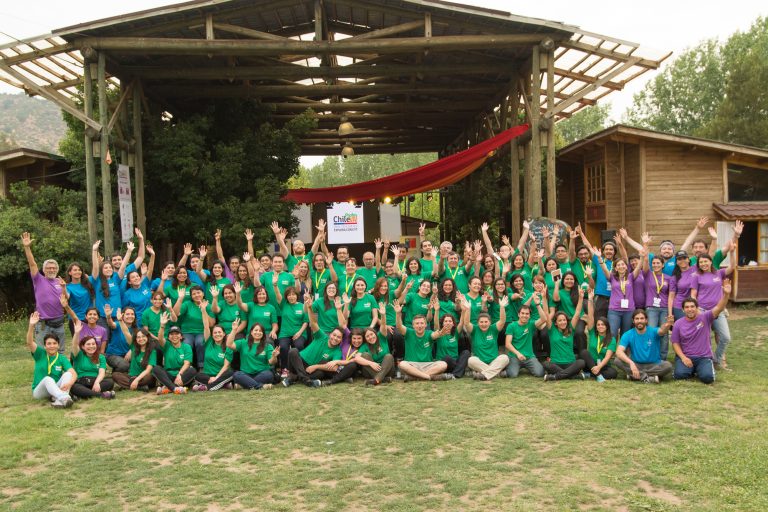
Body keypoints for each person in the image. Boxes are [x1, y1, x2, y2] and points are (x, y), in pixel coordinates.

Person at [283, 297, 353, 387]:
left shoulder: (337, 351)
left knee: (320, 374)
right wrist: (309, 308)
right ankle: (307, 381)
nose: (335, 338)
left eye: (338, 337)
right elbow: (313, 323)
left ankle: (293, 377)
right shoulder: (322, 336)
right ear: (330, 334)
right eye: (334, 335)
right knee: (293, 351)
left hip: (311, 368)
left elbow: (334, 368)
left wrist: (316, 366)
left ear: (341, 340)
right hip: (299, 362)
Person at [673, 279, 732, 383]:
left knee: (707, 378)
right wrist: (683, 358)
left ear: (697, 308)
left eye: (692, 306)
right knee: (679, 375)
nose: (690, 309)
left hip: (703, 357)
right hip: (687, 356)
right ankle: (692, 369)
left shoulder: (706, 317)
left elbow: (719, 307)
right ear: (683, 310)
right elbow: (675, 343)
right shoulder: (678, 323)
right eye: (687, 307)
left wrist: (726, 294)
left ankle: (700, 369)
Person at [21, 232, 67, 352]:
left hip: (59, 323)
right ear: (44, 270)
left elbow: (66, 300)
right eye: (48, 268)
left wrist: (64, 288)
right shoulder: (38, 279)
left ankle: (59, 365)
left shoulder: (60, 282)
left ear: (57, 269)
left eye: (54, 268)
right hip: (43, 324)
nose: (51, 270)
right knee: (41, 352)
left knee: (60, 351)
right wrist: (27, 247)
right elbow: (32, 264)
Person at [594, 236, 645, 341]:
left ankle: (623, 351)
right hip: (614, 310)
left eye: (623, 264)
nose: (621, 266)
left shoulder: (631, 276)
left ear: (626, 267)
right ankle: (611, 350)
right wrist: (599, 258)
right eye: (618, 265)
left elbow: (639, 266)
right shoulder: (612, 277)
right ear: (616, 268)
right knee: (612, 332)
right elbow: (604, 269)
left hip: (629, 310)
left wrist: (642, 256)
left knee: (625, 334)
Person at [691, 253, 736, 370]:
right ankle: (706, 363)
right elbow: (693, 295)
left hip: (718, 311)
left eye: (705, 261)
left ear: (711, 262)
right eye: (701, 262)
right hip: (703, 311)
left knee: (725, 337)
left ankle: (716, 360)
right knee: (705, 339)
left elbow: (732, 266)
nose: (703, 264)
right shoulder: (696, 276)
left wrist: (732, 252)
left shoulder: (719, 273)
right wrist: (696, 310)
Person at [26, 311, 75, 408]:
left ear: (58, 345)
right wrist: (31, 326)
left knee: (68, 374)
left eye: (54, 343)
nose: (52, 346)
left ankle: (59, 400)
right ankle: (64, 397)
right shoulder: (40, 354)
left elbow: (73, 373)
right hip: (39, 391)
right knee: (47, 379)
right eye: (49, 344)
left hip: (55, 389)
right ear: (44, 346)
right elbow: (29, 342)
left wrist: (70, 383)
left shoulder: (61, 358)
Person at [394, 302, 451, 382]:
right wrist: (398, 313)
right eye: (417, 323)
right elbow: (399, 326)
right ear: (413, 325)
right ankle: (428, 377)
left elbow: (435, 334)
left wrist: (440, 333)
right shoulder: (409, 332)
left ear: (425, 325)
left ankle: (416, 377)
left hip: (427, 365)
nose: (419, 326)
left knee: (443, 364)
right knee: (402, 364)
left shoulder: (429, 333)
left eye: (422, 323)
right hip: (412, 365)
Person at [614, 309, 674, 383]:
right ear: (633, 321)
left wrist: (668, 324)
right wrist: (631, 363)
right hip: (636, 364)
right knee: (617, 360)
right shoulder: (628, 334)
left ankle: (635, 375)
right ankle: (648, 377)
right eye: (637, 319)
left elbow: (662, 331)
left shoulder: (653, 331)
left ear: (646, 320)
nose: (639, 321)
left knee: (668, 366)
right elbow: (619, 352)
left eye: (642, 318)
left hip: (653, 365)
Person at [542, 292, 586, 381]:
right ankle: (573, 376)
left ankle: (555, 377)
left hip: (570, 363)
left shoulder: (571, 329)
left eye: (564, 320)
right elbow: (546, 313)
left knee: (581, 362)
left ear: (567, 321)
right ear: (556, 323)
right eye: (560, 320)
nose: (563, 322)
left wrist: (581, 298)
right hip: (556, 363)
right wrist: (543, 297)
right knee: (546, 364)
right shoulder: (552, 330)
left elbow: (577, 313)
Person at [465, 298, 510, 381]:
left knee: (505, 358)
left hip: (494, 361)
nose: (484, 324)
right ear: (478, 323)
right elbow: (467, 323)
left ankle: (484, 374)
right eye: (481, 322)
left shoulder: (493, 329)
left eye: (486, 322)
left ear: (490, 322)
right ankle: (496, 373)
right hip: (480, 362)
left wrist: (502, 307)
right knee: (471, 360)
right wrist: (468, 309)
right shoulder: (474, 330)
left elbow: (502, 321)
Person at [69, 320, 115, 399]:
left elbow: (101, 372)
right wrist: (76, 333)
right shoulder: (78, 354)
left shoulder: (101, 357)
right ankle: (101, 395)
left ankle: (85, 394)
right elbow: (74, 345)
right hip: (82, 381)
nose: (91, 346)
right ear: (83, 347)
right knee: (74, 387)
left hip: (95, 381)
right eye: (88, 344)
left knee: (110, 382)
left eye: (93, 344)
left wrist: (97, 383)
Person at [193, 304, 235, 391]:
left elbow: (226, 366)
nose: (217, 334)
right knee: (196, 375)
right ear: (212, 335)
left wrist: (216, 377)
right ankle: (222, 385)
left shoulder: (228, 346)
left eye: (219, 332)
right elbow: (206, 326)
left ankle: (207, 387)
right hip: (208, 375)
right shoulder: (209, 342)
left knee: (231, 373)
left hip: (221, 374)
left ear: (224, 334)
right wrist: (203, 310)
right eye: (215, 333)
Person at [579, 288, 618, 382]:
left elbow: (607, 357)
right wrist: (590, 299)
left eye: (603, 325)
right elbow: (590, 315)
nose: (600, 326)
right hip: (590, 364)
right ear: (596, 327)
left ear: (607, 326)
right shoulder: (593, 333)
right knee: (584, 352)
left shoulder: (611, 339)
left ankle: (592, 374)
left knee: (613, 373)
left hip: (602, 365)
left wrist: (599, 367)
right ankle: (599, 376)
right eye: (598, 325)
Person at [227, 319, 278, 390]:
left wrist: (274, 356)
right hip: (246, 374)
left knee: (268, 374)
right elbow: (229, 344)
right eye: (256, 330)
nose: (258, 332)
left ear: (263, 333)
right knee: (237, 374)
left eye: (260, 331)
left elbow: (272, 362)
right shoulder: (243, 343)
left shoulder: (268, 346)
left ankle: (245, 385)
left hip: (262, 373)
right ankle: (260, 386)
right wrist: (234, 330)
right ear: (251, 332)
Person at [152, 314, 196, 394]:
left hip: (181, 375)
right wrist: (162, 326)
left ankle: (168, 388)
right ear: (168, 337)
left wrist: (179, 374)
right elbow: (160, 338)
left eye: (177, 334)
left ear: (181, 336)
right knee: (156, 369)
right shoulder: (167, 345)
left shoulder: (186, 347)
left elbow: (187, 363)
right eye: (172, 334)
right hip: (168, 375)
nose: (174, 336)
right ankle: (175, 388)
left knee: (192, 370)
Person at [273, 279, 309, 378]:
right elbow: (278, 295)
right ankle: (285, 369)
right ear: (286, 297)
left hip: (299, 332)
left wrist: (299, 333)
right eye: (289, 295)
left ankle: (299, 368)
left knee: (299, 345)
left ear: (297, 296)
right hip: (285, 333)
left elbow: (305, 321)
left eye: (293, 294)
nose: (291, 297)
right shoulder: (284, 304)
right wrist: (275, 285)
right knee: (283, 347)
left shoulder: (302, 306)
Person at [173, 285, 214, 370]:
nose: (196, 295)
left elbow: (211, 324)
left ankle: (201, 366)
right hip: (187, 332)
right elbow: (175, 313)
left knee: (200, 343)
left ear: (203, 294)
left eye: (198, 293)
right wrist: (180, 299)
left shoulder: (208, 305)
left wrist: (203, 310)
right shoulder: (187, 304)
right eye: (194, 294)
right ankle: (187, 366)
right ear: (191, 296)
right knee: (187, 344)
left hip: (202, 332)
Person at [504, 303, 547, 378]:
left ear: (529, 316)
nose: (524, 315)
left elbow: (544, 319)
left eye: (527, 314)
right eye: (522, 313)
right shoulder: (511, 326)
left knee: (540, 373)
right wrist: (518, 354)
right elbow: (507, 344)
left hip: (529, 357)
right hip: (515, 356)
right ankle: (505, 370)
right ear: (518, 314)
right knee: (512, 374)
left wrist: (537, 305)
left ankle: (528, 366)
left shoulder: (531, 324)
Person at [432, 297, 470, 378]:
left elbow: (461, 322)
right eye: (446, 321)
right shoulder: (439, 333)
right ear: (442, 323)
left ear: (453, 323)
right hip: (443, 363)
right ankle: (459, 371)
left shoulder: (456, 333)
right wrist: (437, 310)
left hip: (454, 362)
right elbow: (435, 324)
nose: (448, 323)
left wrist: (463, 311)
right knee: (447, 357)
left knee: (466, 352)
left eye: (450, 321)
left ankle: (454, 374)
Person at [642, 254, 672, 360]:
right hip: (651, 308)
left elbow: (670, 296)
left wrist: (670, 312)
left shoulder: (668, 278)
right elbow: (645, 263)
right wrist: (645, 253)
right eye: (653, 263)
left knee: (664, 333)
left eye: (658, 263)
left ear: (663, 265)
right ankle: (650, 356)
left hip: (664, 308)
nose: (655, 265)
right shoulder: (648, 275)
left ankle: (662, 358)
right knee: (651, 332)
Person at [110, 326, 156, 392]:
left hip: (143, 377)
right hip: (131, 376)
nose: (141, 339)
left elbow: (148, 370)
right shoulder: (134, 347)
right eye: (138, 337)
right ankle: (140, 387)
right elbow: (125, 332)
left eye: (143, 336)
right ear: (136, 339)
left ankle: (132, 385)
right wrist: (121, 321)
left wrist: (136, 380)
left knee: (149, 376)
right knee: (115, 375)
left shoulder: (152, 351)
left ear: (147, 337)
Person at [358, 316, 395, 386]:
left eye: (371, 334)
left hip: (387, 370)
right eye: (367, 336)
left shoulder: (381, 337)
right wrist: (370, 363)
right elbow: (357, 358)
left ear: (375, 333)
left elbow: (383, 325)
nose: (370, 337)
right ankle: (382, 379)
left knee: (389, 356)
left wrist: (383, 315)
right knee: (364, 355)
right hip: (372, 371)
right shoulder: (364, 346)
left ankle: (376, 379)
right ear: (365, 339)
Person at [63, 262, 95, 334]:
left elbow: (96, 275)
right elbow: (67, 297)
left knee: (91, 340)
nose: (77, 272)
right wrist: (63, 287)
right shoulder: (68, 286)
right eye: (75, 270)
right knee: (78, 340)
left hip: (90, 318)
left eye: (79, 270)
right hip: (76, 319)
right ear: (70, 273)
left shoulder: (88, 282)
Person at [668, 250, 696, 321]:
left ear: (688, 260)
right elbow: (671, 297)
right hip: (679, 307)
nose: (682, 260)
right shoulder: (674, 277)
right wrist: (670, 314)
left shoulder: (695, 269)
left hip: (696, 305)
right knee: (684, 326)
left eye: (684, 258)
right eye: (679, 259)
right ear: (677, 262)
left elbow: (709, 256)